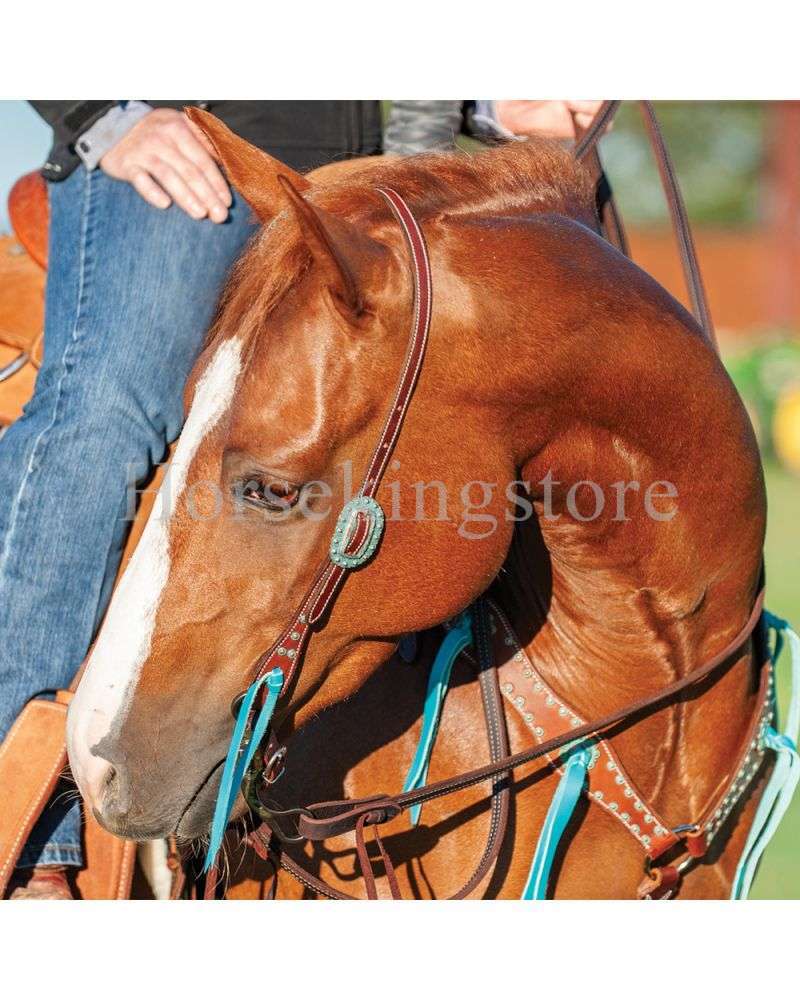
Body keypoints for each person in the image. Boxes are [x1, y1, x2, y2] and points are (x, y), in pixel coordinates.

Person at [0, 100, 382, 899]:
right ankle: (26, 822)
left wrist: (490, 105)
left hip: (374, 179)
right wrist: (105, 113)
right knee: (104, 412)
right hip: (189, 158)